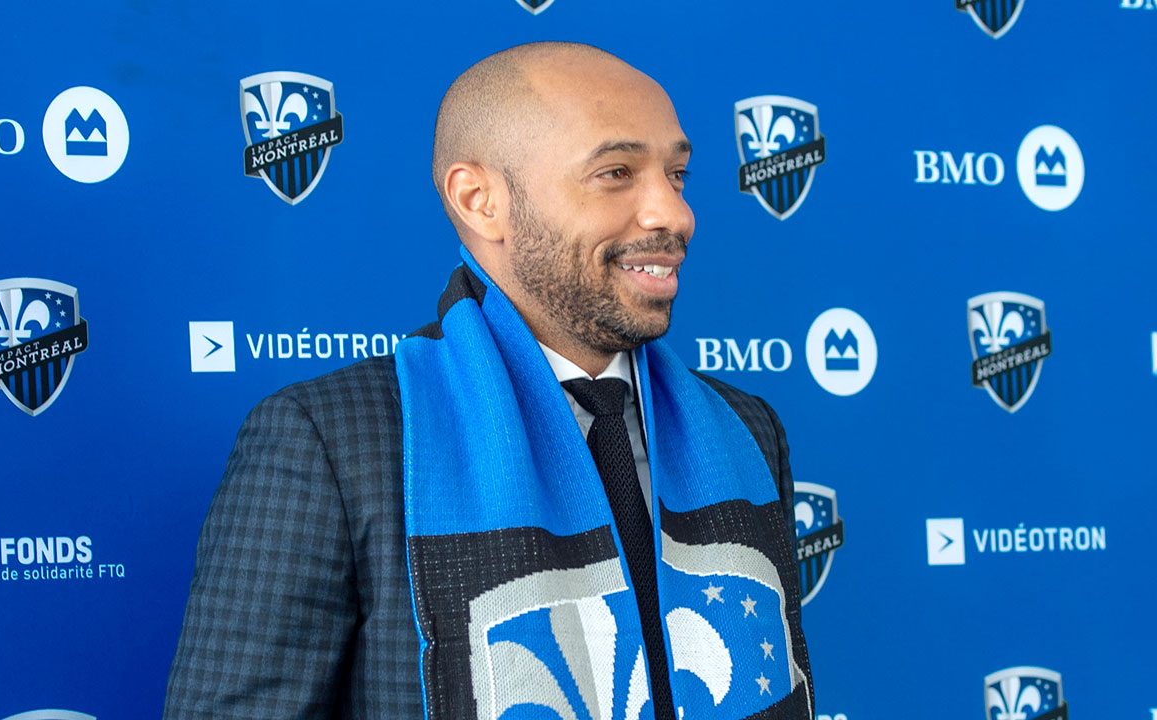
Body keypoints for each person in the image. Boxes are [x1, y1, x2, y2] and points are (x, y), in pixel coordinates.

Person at [164, 41, 814, 720]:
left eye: (676, 175)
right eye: (617, 172)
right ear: (479, 201)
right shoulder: (331, 443)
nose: (675, 215)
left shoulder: (747, 428)